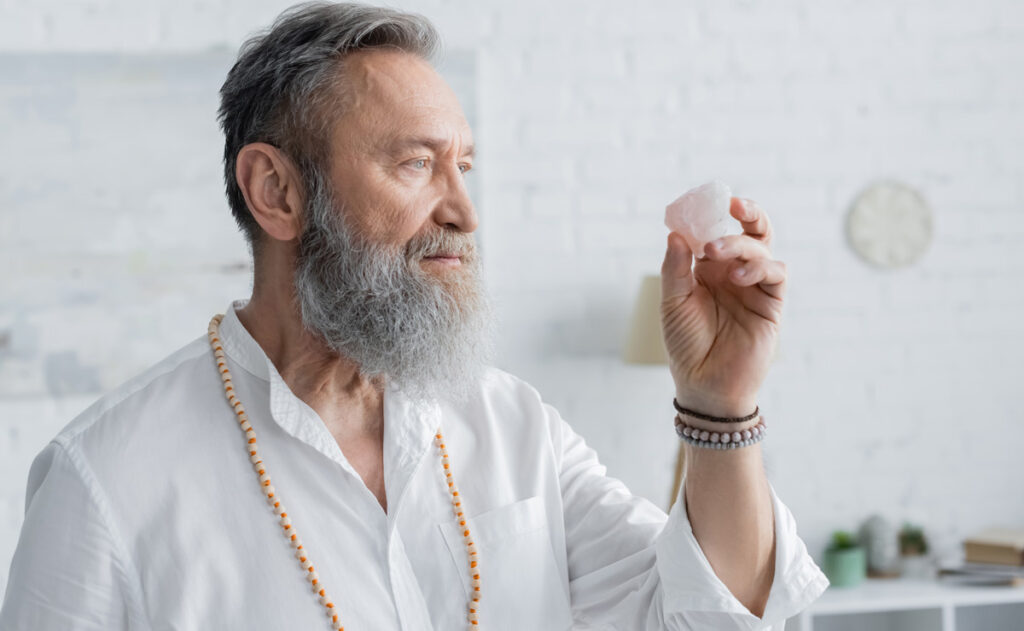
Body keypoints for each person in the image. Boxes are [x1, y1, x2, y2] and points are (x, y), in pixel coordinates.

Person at [0, 2, 828, 629]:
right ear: (277, 192)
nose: (465, 210)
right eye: (416, 163)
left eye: (464, 165)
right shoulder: (103, 480)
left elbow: (713, 612)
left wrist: (721, 404)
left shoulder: (514, 424)